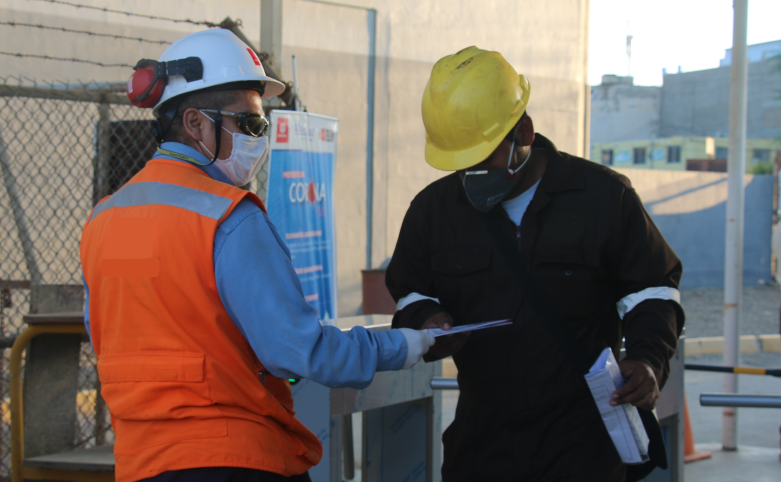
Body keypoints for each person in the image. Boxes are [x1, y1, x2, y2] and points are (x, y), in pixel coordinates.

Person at [80, 29, 434, 482]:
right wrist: (403, 344)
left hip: (140, 464)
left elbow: (108, 334)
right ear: (194, 123)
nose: (259, 137)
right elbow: (297, 351)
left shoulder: (104, 220)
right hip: (237, 458)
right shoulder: (228, 216)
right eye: (249, 124)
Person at [386, 47, 684, 481]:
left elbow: (653, 289)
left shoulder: (602, 198)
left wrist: (648, 357)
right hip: (481, 448)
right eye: (460, 163)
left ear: (523, 132)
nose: (470, 175)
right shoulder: (434, 210)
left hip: (583, 448)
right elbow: (410, 290)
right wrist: (425, 318)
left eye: (482, 157)